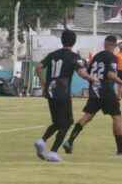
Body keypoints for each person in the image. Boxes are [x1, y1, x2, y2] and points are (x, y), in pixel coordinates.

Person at [63, 35, 122, 156]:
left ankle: (70, 141)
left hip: (94, 91)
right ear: (114, 45)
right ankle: (121, 149)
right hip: (106, 91)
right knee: (117, 117)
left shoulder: (96, 57)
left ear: (105, 44)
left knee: (87, 116)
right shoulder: (112, 57)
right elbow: (111, 75)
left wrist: (93, 84)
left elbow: (88, 72)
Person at [33, 30, 97, 162]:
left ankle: (42, 140)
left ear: (62, 40)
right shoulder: (74, 57)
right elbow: (82, 73)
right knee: (67, 122)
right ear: (74, 42)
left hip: (50, 91)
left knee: (57, 122)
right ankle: (53, 152)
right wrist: (92, 79)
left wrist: (44, 84)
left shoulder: (52, 55)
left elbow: (38, 67)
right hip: (62, 92)